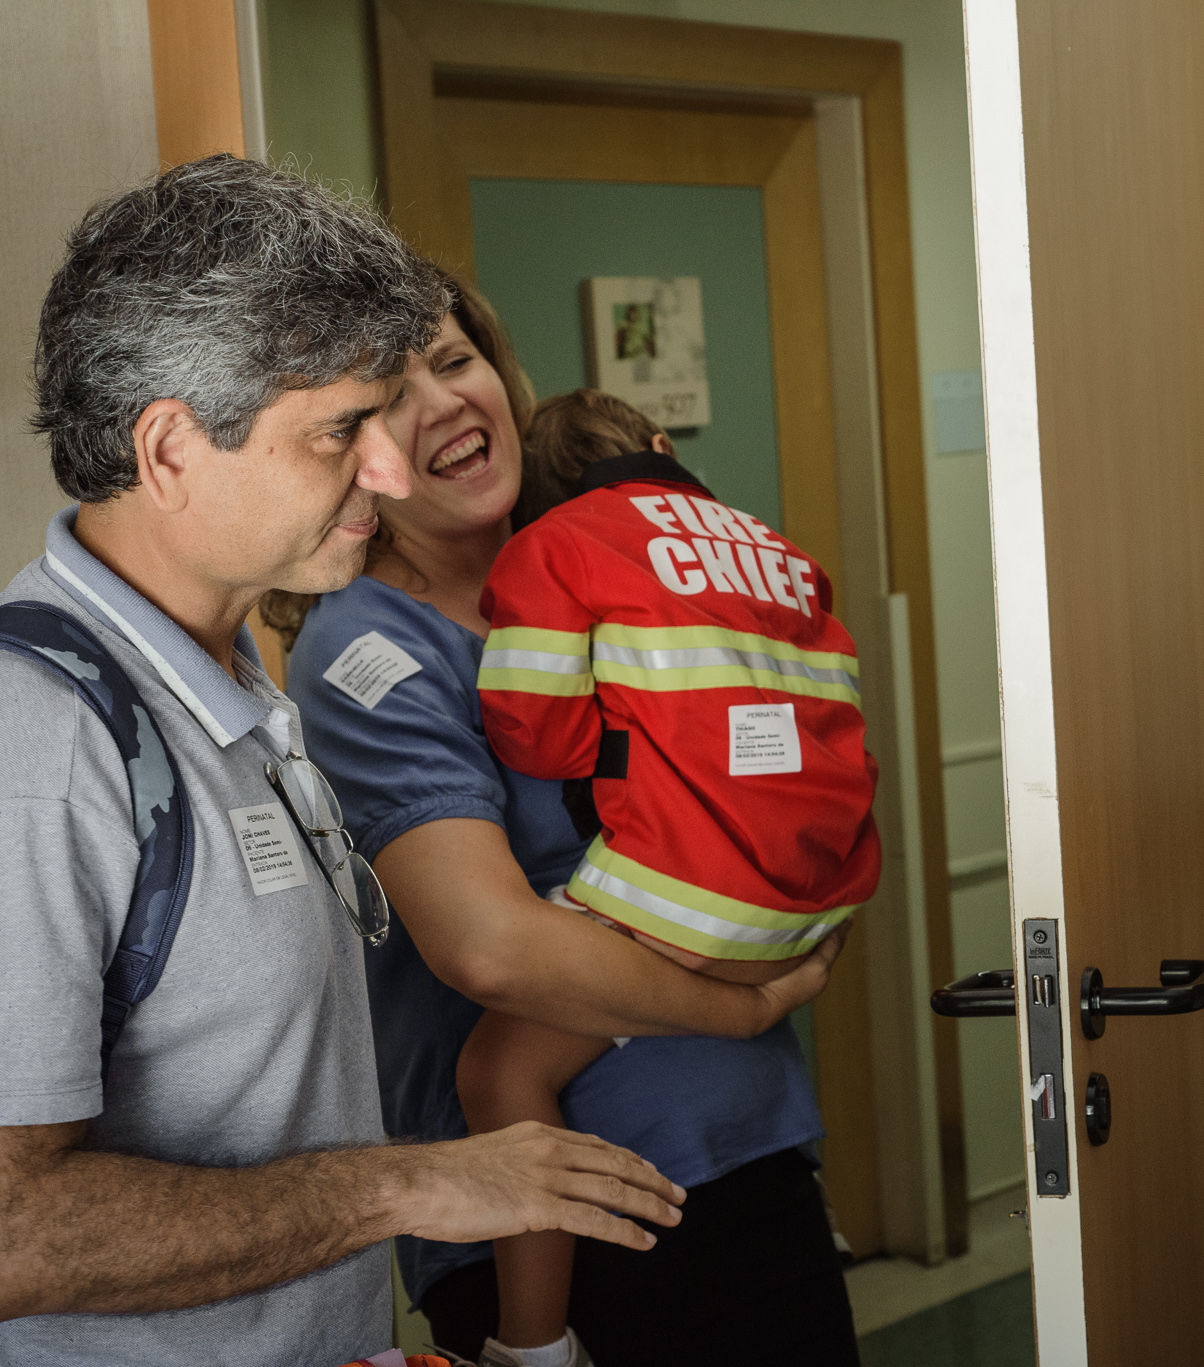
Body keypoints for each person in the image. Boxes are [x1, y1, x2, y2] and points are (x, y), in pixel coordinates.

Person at [0, 155, 690, 1366]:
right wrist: (402, 1189)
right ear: (168, 449)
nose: (386, 468)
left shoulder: (227, 675)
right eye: (339, 433)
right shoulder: (40, 743)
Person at [268, 290, 861, 1366]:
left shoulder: (609, 566)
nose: (442, 402)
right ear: (349, 455)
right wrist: (741, 1001)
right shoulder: (367, 650)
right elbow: (490, 947)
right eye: (387, 395)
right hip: (574, 1213)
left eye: (454, 361)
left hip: (752, 1151)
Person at [458, 387, 880, 1363]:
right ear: (658, 444)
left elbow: (535, 728)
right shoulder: (776, 549)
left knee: (499, 1068)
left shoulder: (555, 544)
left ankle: (530, 1346)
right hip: (823, 892)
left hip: (691, 905)